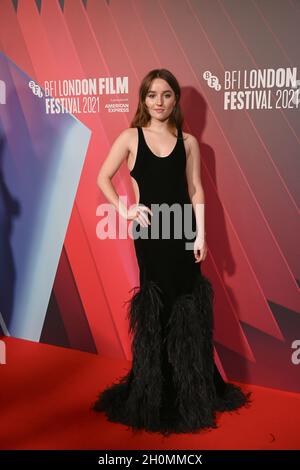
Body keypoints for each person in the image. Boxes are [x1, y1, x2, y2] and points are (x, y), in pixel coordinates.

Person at [93, 68, 251, 435]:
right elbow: (103, 177)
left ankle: (191, 389)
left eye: (166, 95)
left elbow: (195, 189)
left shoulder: (190, 142)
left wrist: (201, 235)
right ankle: (154, 390)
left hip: (183, 233)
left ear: (175, 99)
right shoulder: (130, 137)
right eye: (152, 95)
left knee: (187, 310)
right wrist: (124, 207)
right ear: (143, 99)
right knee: (157, 308)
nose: (159, 102)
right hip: (150, 234)